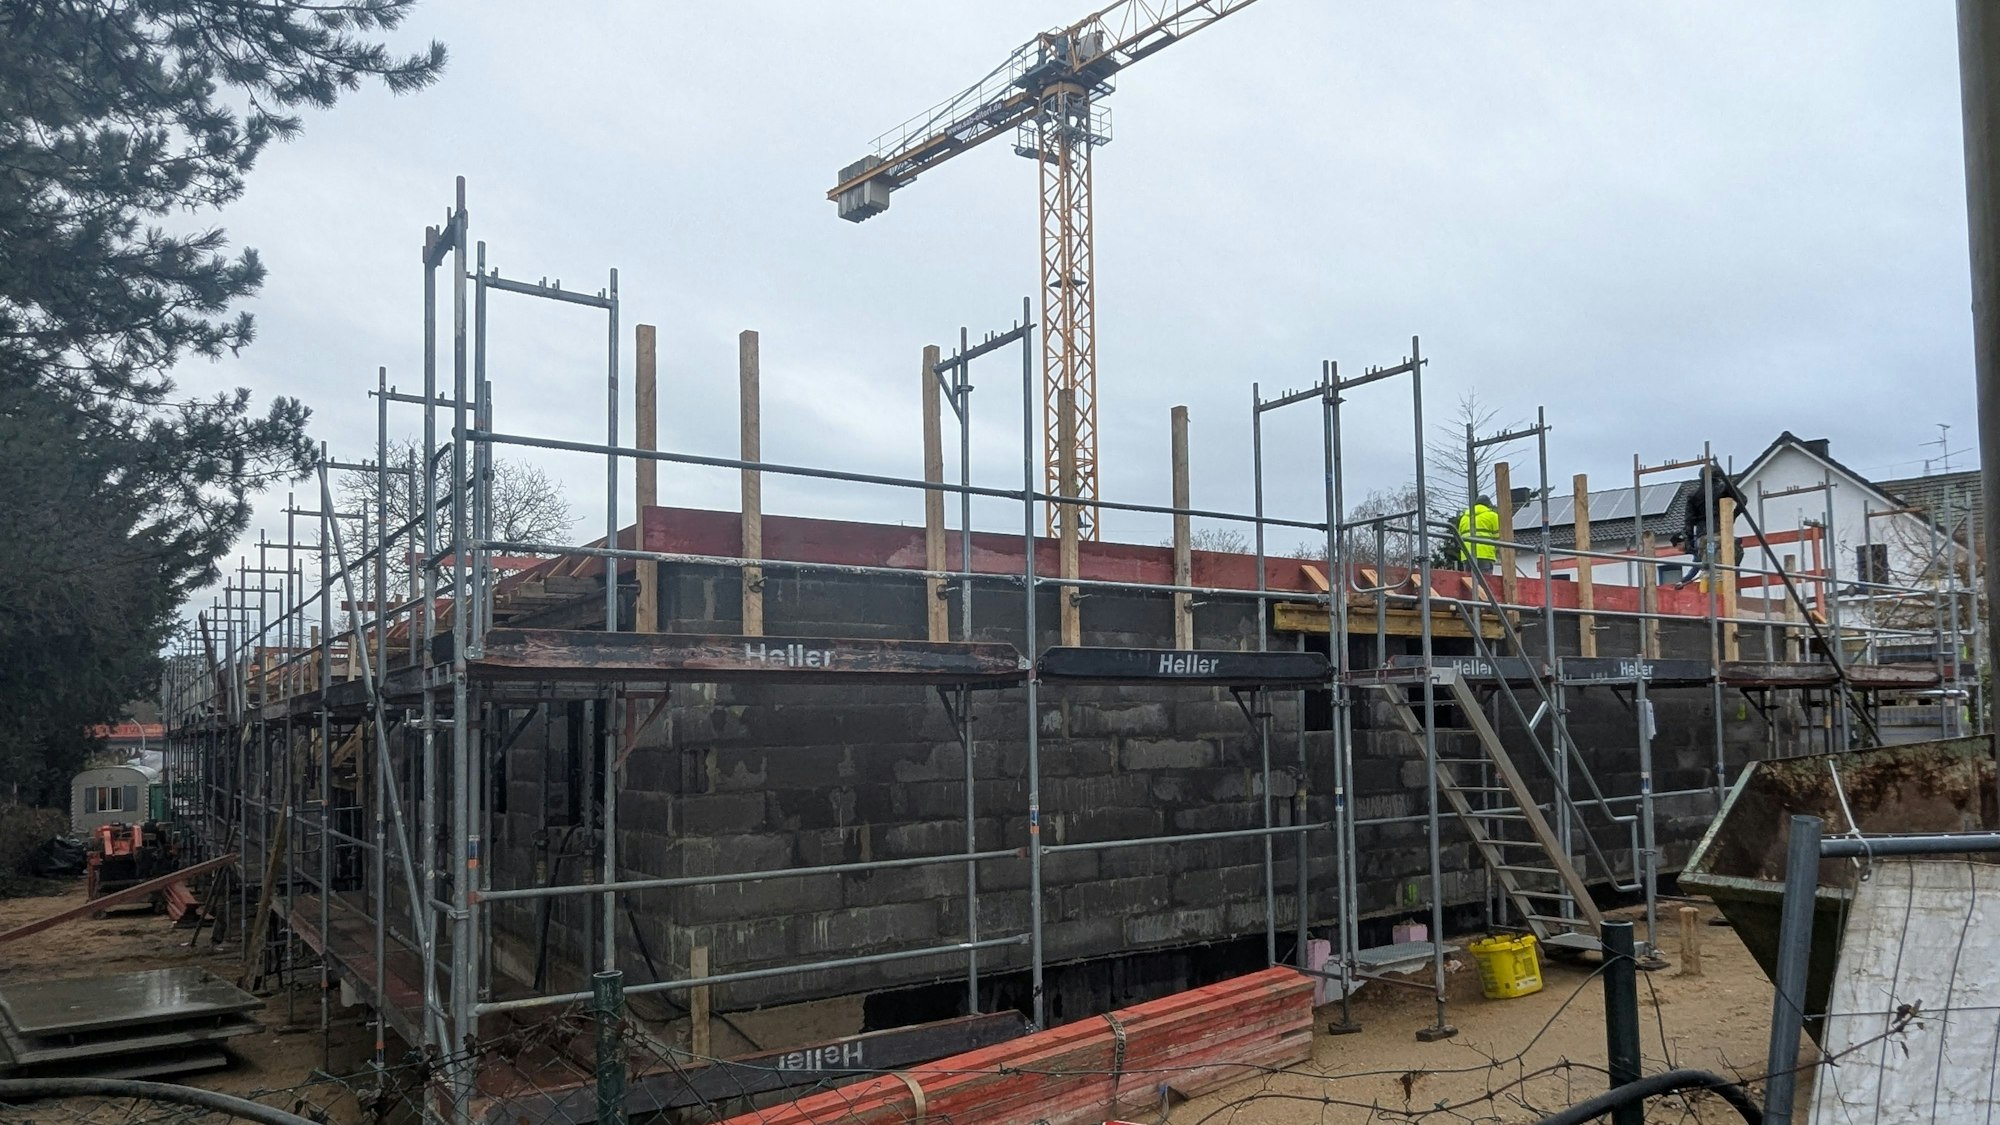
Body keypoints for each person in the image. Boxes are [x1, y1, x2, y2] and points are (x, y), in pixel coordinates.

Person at [1673, 463, 1744, 588]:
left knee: (1707, 569)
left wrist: (1690, 542)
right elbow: (1743, 500)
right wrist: (1731, 518)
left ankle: (1712, 597)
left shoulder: (1693, 496)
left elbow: (1688, 523)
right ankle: (1732, 591)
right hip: (1722, 534)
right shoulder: (1724, 489)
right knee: (1729, 564)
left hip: (1703, 537)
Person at [1455, 494, 1500, 573]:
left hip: (1467, 555)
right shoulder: (1492, 516)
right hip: (1485, 554)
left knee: (1469, 581)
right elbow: (1498, 537)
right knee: (1485, 582)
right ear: (1488, 505)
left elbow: (1459, 537)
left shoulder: (1464, 518)